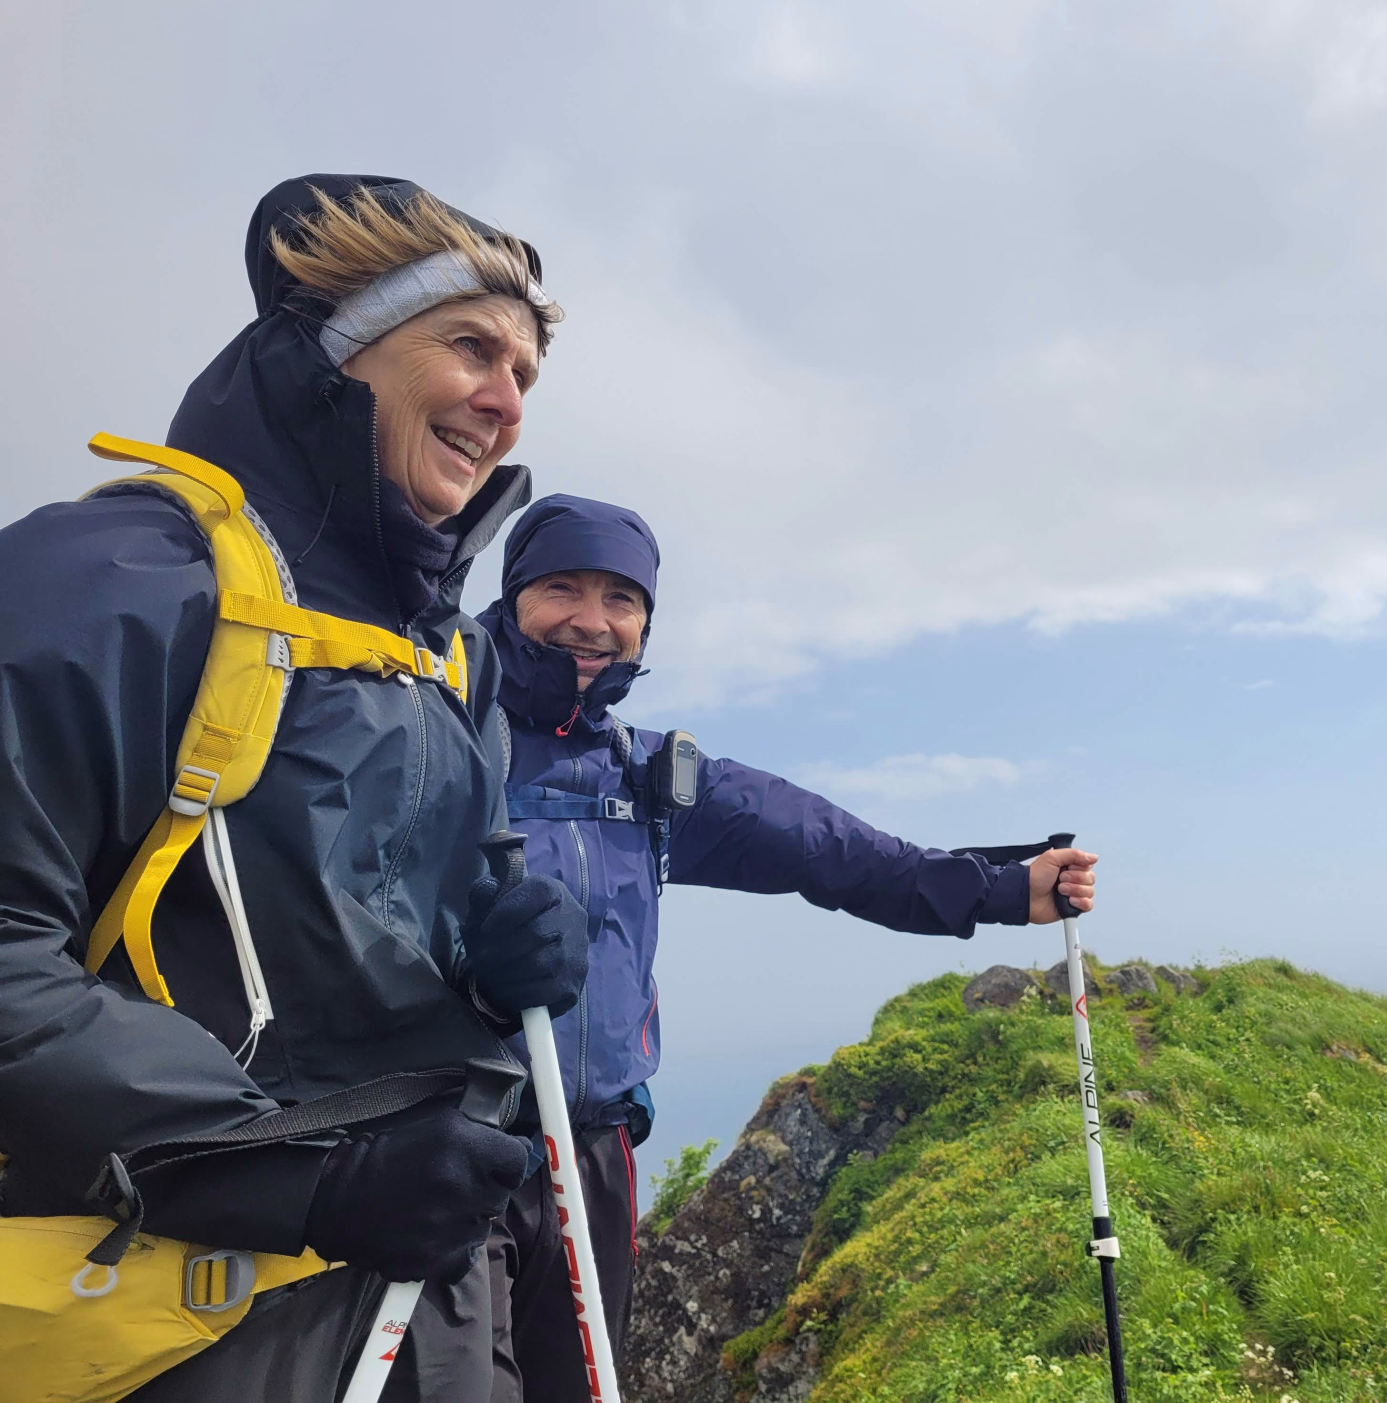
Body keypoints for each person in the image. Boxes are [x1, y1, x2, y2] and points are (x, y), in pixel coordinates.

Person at [0, 174, 590, 1400]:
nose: (505, 401)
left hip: (429, 1281)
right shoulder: (114, 577)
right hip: (174, 1312)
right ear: (338, 355)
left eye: (526, 374)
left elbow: (375, 938)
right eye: (471, 348)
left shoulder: (448, 654)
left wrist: (488, 963)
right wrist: (300, 1177)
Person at [476, 495, 1098, 1400]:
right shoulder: (441, 742)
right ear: (513, 598)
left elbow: (830, 851)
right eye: (562, 588)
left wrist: (1005, 890)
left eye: (621, 598)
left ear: (646, 622)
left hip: (592, 1155)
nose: (592, 620)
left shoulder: (650, 776)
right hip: (453, 1147)